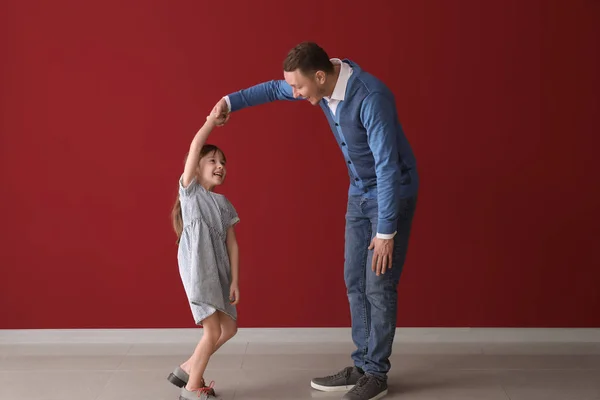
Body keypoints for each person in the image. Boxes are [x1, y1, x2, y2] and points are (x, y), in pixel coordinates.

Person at [210, 42, 418, 400]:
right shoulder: (319, 84)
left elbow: (386, 167)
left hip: (391, 192)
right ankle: (362, 365)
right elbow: (274, 89)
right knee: (355, 279)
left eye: (299, 87)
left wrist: (386, 231)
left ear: (320, 77)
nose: (294, 92)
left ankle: (377, 374)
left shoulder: (371, 97)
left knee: (378, 285)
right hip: (360, 191)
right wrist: (230, 102)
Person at [169, 113, 241, 400]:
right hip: (199, 271)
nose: (220, 166)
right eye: (212, 160)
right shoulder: (191, 193)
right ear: (196, 168)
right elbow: (197, 143)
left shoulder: (223, 204)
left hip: (219, 273)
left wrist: (235, 280)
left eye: (223, 162)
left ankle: (188, 367)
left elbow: (232, 245)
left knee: (230, 328)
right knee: (211, 332)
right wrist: (212, 121)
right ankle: (191, 388)